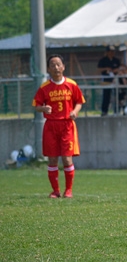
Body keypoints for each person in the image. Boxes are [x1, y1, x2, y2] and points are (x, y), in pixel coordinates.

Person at [32, 55, 85, 198]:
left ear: (63, 67)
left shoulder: (72, 84)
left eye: (58, 64)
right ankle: (55, 191)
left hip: (67, 125)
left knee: (67, 159)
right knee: (53, 159)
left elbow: (79, 101)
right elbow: (37, 106)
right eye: (52, 65)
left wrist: (75, 111)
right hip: (50, 126)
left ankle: (68, 190)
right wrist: (44, 109)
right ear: (48, 69)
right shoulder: (44, 87)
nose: (56, 67)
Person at [97, 46, 121, 116]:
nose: (112, 53)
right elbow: (99, 69)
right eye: (110, 52)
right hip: (106, 80)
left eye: (113, 52)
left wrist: (116, 70)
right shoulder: (103, 60)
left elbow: (120, 68)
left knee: (117, 96)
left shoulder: (116, 60)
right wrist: (106, 68)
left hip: (115, 80)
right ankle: (104, 111)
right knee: (106, 96)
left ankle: (117, 111)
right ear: (107, 52)